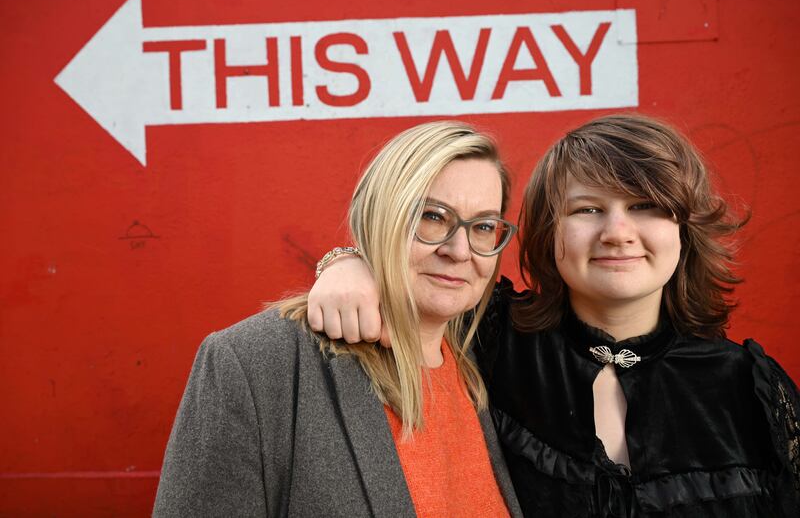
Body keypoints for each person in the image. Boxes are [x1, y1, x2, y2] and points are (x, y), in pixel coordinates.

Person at [307, 114, 800, 517]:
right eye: (588, 210)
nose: (617, 232)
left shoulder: (752, 390)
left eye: (645, 206)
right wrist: (349, 263)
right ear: (549, 230)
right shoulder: (488, 333)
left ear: (683, 230)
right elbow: (417, 275)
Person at [152, 121, 524, 517]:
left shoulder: (496, 353)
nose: (460, 250)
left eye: (484, 226)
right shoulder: (256, 364)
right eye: (432, 217)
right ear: (381, 218)